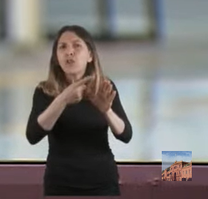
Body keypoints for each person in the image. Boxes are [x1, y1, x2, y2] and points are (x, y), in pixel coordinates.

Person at [26, 25, 132, 195]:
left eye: (77, 46)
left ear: (90, 55)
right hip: (60, 185)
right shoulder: (45, 91)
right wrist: (62, 100)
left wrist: (106, 111)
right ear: (56, 58)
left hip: (102, 183)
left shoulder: (103, 87)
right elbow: (33, 135)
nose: (69, 52)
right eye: (63, 47)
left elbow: (125, 135)